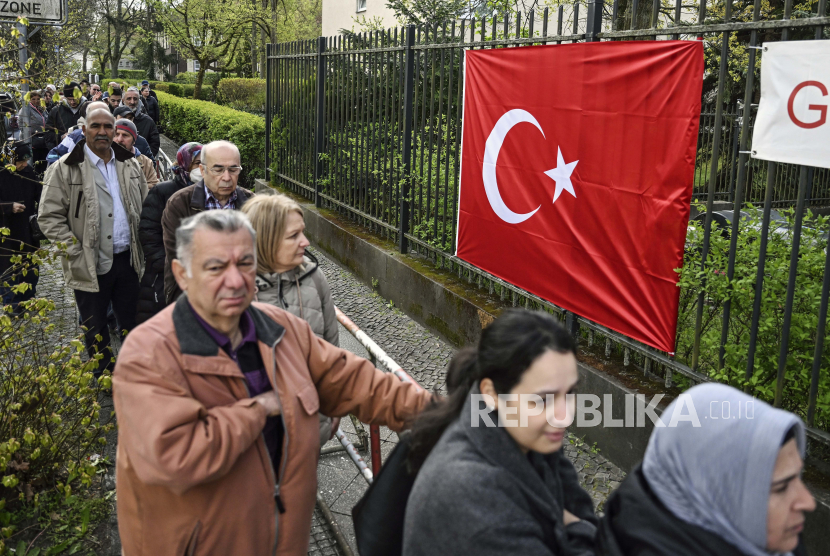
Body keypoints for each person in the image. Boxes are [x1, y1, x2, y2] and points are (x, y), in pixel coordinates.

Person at [113, 209, 430, 555]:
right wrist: (259, 409)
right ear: (182, 274)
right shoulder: (148, 354)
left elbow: (361, 383)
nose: (235, 280)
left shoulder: (279, 328)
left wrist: (475, 413)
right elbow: (173, 457)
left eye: (245, 264)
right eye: (216, 267)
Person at [403, 309, 598, 556]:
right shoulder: (473, 497)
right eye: (543, 399)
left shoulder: (524, 433)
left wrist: (572, 522)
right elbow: (589, 526)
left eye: (569, 393)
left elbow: (581, 510)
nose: (565, 416)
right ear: (492, 393)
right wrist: (574, 524)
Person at [596, 383, 816, 556]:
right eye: (780, 488)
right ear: (713, 491)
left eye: (798, 477)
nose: (808, 501)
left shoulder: (770, 540)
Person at [38, 108, 148, 377]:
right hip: (89, 262)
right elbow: (48, 217)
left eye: (108, 126)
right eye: (95, 126)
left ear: (114, 130)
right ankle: (104, 375)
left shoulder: (130, 164)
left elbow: (145, 205)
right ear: (84, 130)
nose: (102, 131)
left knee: (132, 322)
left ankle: (134, 373)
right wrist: (75, 250)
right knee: (95, 326)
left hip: (128, 260)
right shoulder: (63, 168)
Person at [242, 194, 341, 446]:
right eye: (293, 236)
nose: (305, 242)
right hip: (253, 436)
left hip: (309, 423)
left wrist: (333, 401)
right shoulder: (233, 289)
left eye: (303, 233)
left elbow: (331, 346)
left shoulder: (314, 276)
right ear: (265, 240)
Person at [161, 140, 253, 304]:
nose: (226, 177)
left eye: (233, 169)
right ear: (202, 170)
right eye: (218, 169)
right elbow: (180, 258)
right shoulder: (179, 203)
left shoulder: (252, 204)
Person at [136, 142, 202, 324]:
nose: (202, 168)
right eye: (197, 163)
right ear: (184, 163)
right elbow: (148, 231)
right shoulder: (162, 191)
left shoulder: (210, 193)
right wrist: (165, 262)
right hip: (165, 272)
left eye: (205, 163)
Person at [0, 142, 41, 309]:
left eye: (26, 161)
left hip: (27, 231)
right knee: (9, 271)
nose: (24, 165)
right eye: (20, 161)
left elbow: (40, 193)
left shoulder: (27, 172)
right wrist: (9, 207)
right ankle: (12, 305)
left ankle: (29, 299)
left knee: (30, 269)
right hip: (6, 233)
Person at [47, 103, 155, 166]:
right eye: (95, 124)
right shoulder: (75, 137)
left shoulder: (124, 157)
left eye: (107, 124)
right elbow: (52, 157)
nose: (102, 132)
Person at [113, 118, 158, 188]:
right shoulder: (102, 159)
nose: (119, 139)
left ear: (134, 141)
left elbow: (154, 189)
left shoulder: (146, 162)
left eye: (125, 135)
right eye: (116, 134)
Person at [17, 90, 50, 172]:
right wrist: (28, 133)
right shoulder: (26, 108)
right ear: (30, 100)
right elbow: (20, 121)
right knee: (34, 161)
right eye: (33, 99)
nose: (36, 101)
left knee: (43, 161)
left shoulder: (43, 109)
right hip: (33, 138)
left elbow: (47, 119)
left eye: (38, 99)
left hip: (43, 138)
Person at [122, 87, 159, 156]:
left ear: (139, 101)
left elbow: (155, 143)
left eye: (135, 99)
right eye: (129, 98)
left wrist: (145, 159)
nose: (132, 102)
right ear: (123, 100)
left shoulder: (148, 121)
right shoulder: (115, 119)